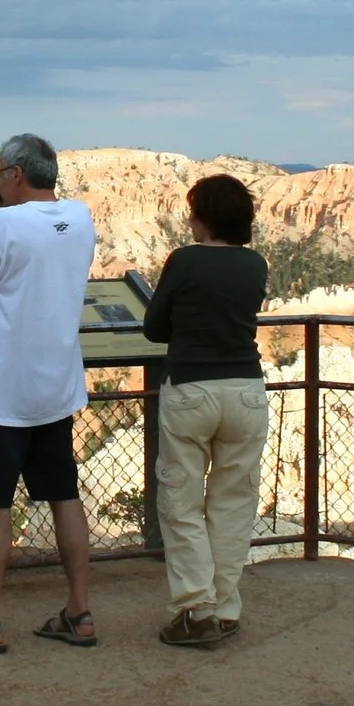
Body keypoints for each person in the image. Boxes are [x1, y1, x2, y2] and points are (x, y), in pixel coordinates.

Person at [0, 133, 99, 654]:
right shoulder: (80, 217)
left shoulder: (3, 225)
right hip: (57, 389)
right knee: (64, 495)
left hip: (3, 395)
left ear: (14, 173)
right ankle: (79, 612)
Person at [142, 174, 271, 648]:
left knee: (182, 503)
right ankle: (226, 608)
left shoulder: (185, 261)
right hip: (246, 391)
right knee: (233, 504)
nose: (190, 220)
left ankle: (196, 611)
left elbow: (155, 328)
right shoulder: (254, 264)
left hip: (192, 390)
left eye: (194, 211)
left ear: (207, 217)